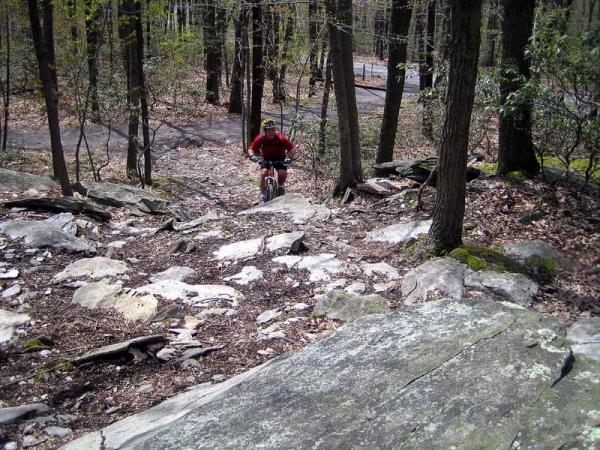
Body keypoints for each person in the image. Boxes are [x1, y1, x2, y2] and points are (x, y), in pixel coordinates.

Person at [248, 119, 295, 202]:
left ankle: (280, 186)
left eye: (273, 130)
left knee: (282, 173)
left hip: (280, 158)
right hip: (267, 158)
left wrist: (289, 157)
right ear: (264, 131)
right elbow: (251, 149)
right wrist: (252, 156)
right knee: (264, 173)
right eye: (269, 130)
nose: (272, 132)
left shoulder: (281, 138)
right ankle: (263, 194)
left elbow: (292, 148)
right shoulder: (261, 138)